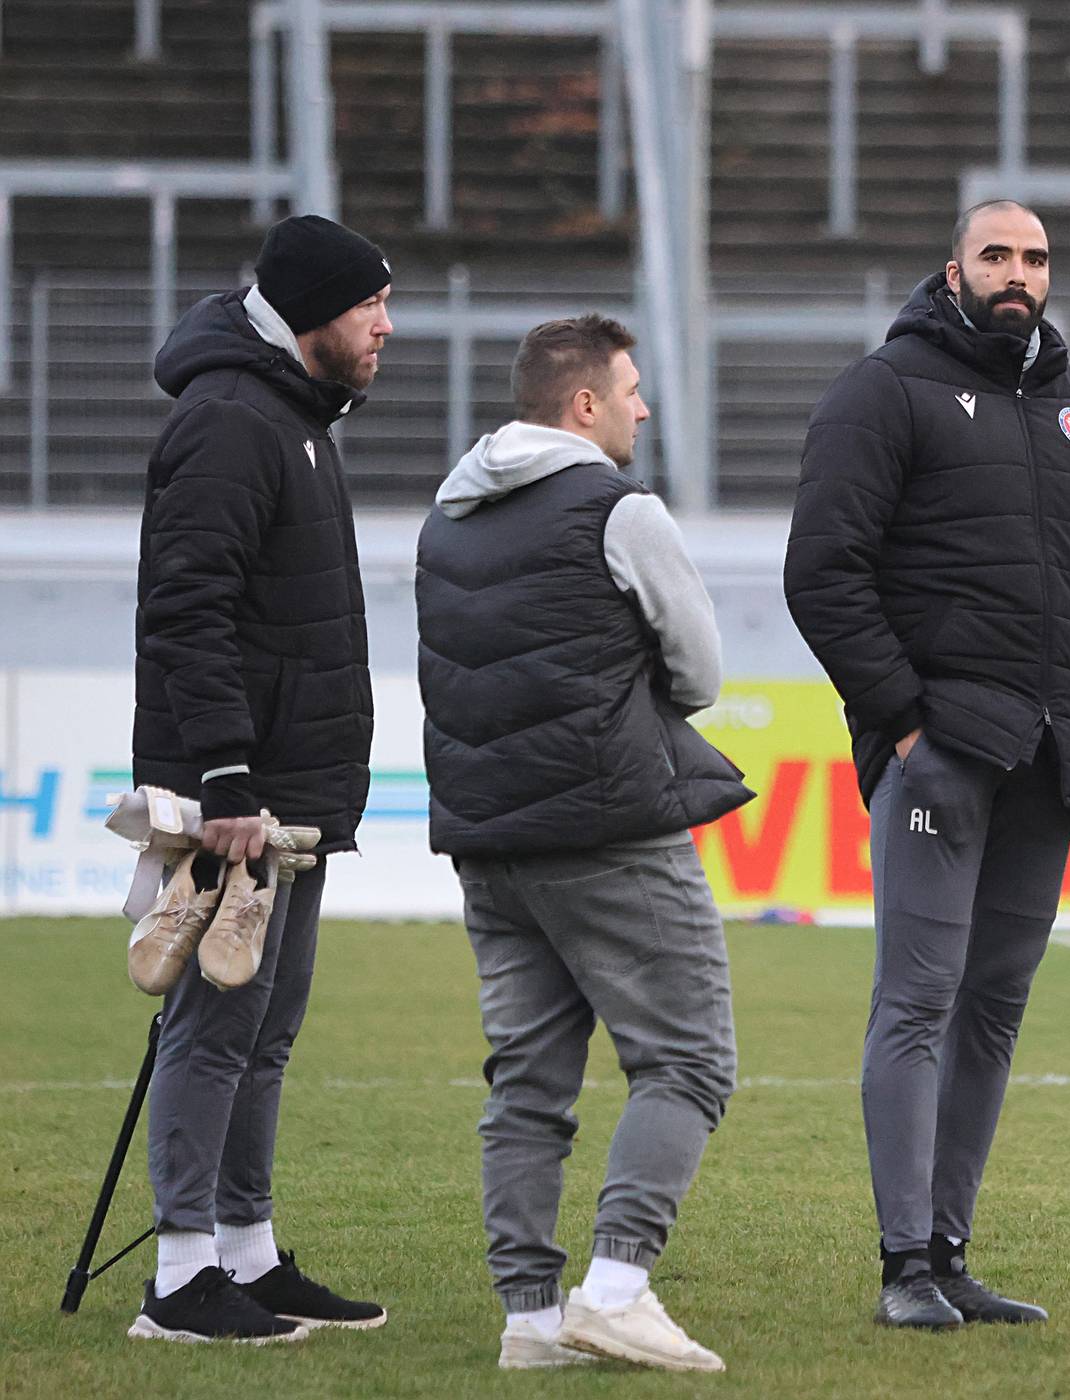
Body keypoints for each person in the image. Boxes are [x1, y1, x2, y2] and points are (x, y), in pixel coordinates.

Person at [785, 199, 1070, 1330]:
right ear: (953, 268)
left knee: (993, 1009)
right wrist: (906, 723)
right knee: (917, 999)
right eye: (998, 254)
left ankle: (950, 1255)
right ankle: (903, 1268)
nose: (1020, 273)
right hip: (944, 755)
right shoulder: (883, 389)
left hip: (1052, 760)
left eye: (1037, 258)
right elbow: (821, 573)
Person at [416, 315, 752, 1373]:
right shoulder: (619, 508)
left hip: (488, 838)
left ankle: (529, 1320)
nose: (645, 410)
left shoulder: (447, 517)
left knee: (527, 1082)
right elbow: (699, 671)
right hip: (608, 828)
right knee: (688, 1058)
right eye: (633, 390)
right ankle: (614, 1290)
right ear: (585, 403)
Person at [129, 214, 393, 1345]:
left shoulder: (292, 414)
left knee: (266, 1026)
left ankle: (244, 1250)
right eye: (372, 303)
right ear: (314, 312)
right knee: (215, 1024)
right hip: (243, 794)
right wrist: (228, 777)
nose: (387, 326)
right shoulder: (233, 419)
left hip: (293, 792)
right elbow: (187, 608)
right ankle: (180, 1274)